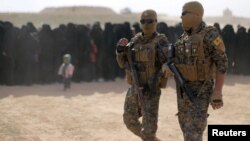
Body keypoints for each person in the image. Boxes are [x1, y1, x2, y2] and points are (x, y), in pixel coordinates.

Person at [162, 1, 228, 141]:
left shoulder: (210, 34)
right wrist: (166, 65)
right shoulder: (182, 38)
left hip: (201, 91)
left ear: (196, 14)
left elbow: (222, 63)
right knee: (186, 130)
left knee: (193, 134)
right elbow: (173, 60)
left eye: (184, 13)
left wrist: (218, 91)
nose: (181, 17)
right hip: (183, 92)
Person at [116, 9, 172, 141]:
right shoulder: (135, 40)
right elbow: (122, 63)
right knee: (129, 120)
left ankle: (149, 138)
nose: (146, 24)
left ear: (156, 22)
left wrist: (150, 85)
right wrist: (119, 51)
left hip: (151, 90)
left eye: (150, 21)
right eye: (143, 21)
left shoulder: (161, 41)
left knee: (148, 130)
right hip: (134, 88)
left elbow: (164, 66)